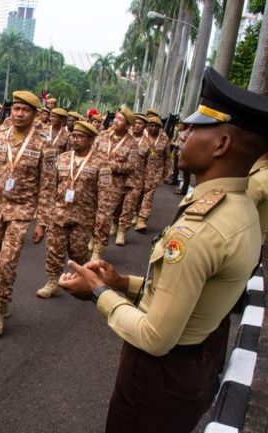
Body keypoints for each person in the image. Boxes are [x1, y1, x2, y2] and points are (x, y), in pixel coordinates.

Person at [58, 67, 268, 433]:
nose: (180, 136)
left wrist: (98, 292)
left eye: (193, 129)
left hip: (159, 379)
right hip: (195, 363)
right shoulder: (240, 206)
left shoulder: (199, 230)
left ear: (221, 145)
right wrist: (122, 281)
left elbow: (155, 338)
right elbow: (187, 291)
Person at [0, 91, 50, 335]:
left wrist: (43, 221)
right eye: (16, 109)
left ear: (35, 115)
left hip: (22, 212)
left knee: (6, 262)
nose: (19, 113)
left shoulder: (44, 144)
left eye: (25, 110)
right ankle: (0, 302)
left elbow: (48, 185)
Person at [37, 121, 104, 298]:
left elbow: (106, 196)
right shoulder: (63, 158)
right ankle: (52, 281)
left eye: (80, 137)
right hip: (59, 213)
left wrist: (101, 223)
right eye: (73, 136)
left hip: (83, 217)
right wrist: (45, 216)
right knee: (53, 249)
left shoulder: (101, 163)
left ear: (90, 140)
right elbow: (49, 187)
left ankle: (85, 279)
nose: (74, 139)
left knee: (79, 252)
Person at [91, 107, 139, 260]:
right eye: (115, 118)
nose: (115, 121)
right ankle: (92, 237)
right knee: (91, 212)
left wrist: (113, 166)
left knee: (104, 216)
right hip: (94, 180)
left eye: (120, 120)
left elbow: (132, 166)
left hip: (113, 184)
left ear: (127, 126)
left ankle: (99, 248)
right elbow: (92, 152)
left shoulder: (132, 144)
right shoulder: (103, 135)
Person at [114, 114, 147, 246]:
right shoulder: (115, 138)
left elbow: (150, 163)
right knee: (116, 205)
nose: (138, 125)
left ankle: (122, 231)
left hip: (134, 180)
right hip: (118, 179)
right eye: (136, 123)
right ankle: (114, 224)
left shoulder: (142, 142)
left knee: (128, 207)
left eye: (141, 123)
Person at [135, 116, 170, 232]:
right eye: (151, 125)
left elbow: (167, 157)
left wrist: (167, 173)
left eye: (157, 126)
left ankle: (142, 219)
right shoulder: (141, 136)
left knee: (148, 195)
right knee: (138, 193)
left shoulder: (164, 138)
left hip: (155, 172)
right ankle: (135, 213)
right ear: (147, 126)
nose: (154, 128)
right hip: (139, 170)